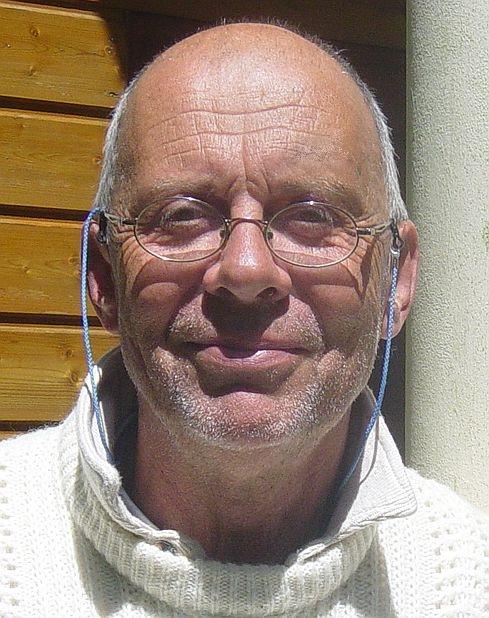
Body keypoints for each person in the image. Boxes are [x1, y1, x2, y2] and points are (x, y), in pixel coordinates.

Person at [0, 22, 488, 617]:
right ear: (102, 276)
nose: (247, 269)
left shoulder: (466, 584)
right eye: (181, 215)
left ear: (396, 282)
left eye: (313, 216)